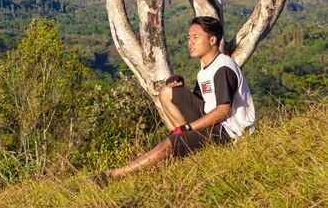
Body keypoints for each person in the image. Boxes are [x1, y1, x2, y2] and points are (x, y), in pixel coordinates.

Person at [97, 16, 255, 183]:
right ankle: (186, 145)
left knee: (169, 143)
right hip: (215, 124)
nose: (190, 42)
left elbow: (223, 111)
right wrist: (181, 86)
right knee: (167, 92)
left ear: (212, 39)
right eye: (188, 38)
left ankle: (113, 176)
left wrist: (188, 127)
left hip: (230, 133)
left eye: (196, 37)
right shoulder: (205, 69)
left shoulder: (222, 67)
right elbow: (202, 101)